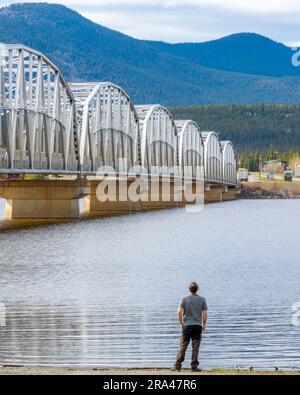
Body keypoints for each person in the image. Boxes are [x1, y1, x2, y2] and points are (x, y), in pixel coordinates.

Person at [173, 282, 208, 372]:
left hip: (187, 326)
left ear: (189, 289)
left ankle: (177, 366)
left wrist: (181, 322)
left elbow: (179, 312)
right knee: (195, 347)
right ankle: (194, 366)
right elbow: (205, 314)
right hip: (197, 326)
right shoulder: (202, 299)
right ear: (197, 289)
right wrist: (204, 325)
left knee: (183, 346)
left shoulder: (184, 299)